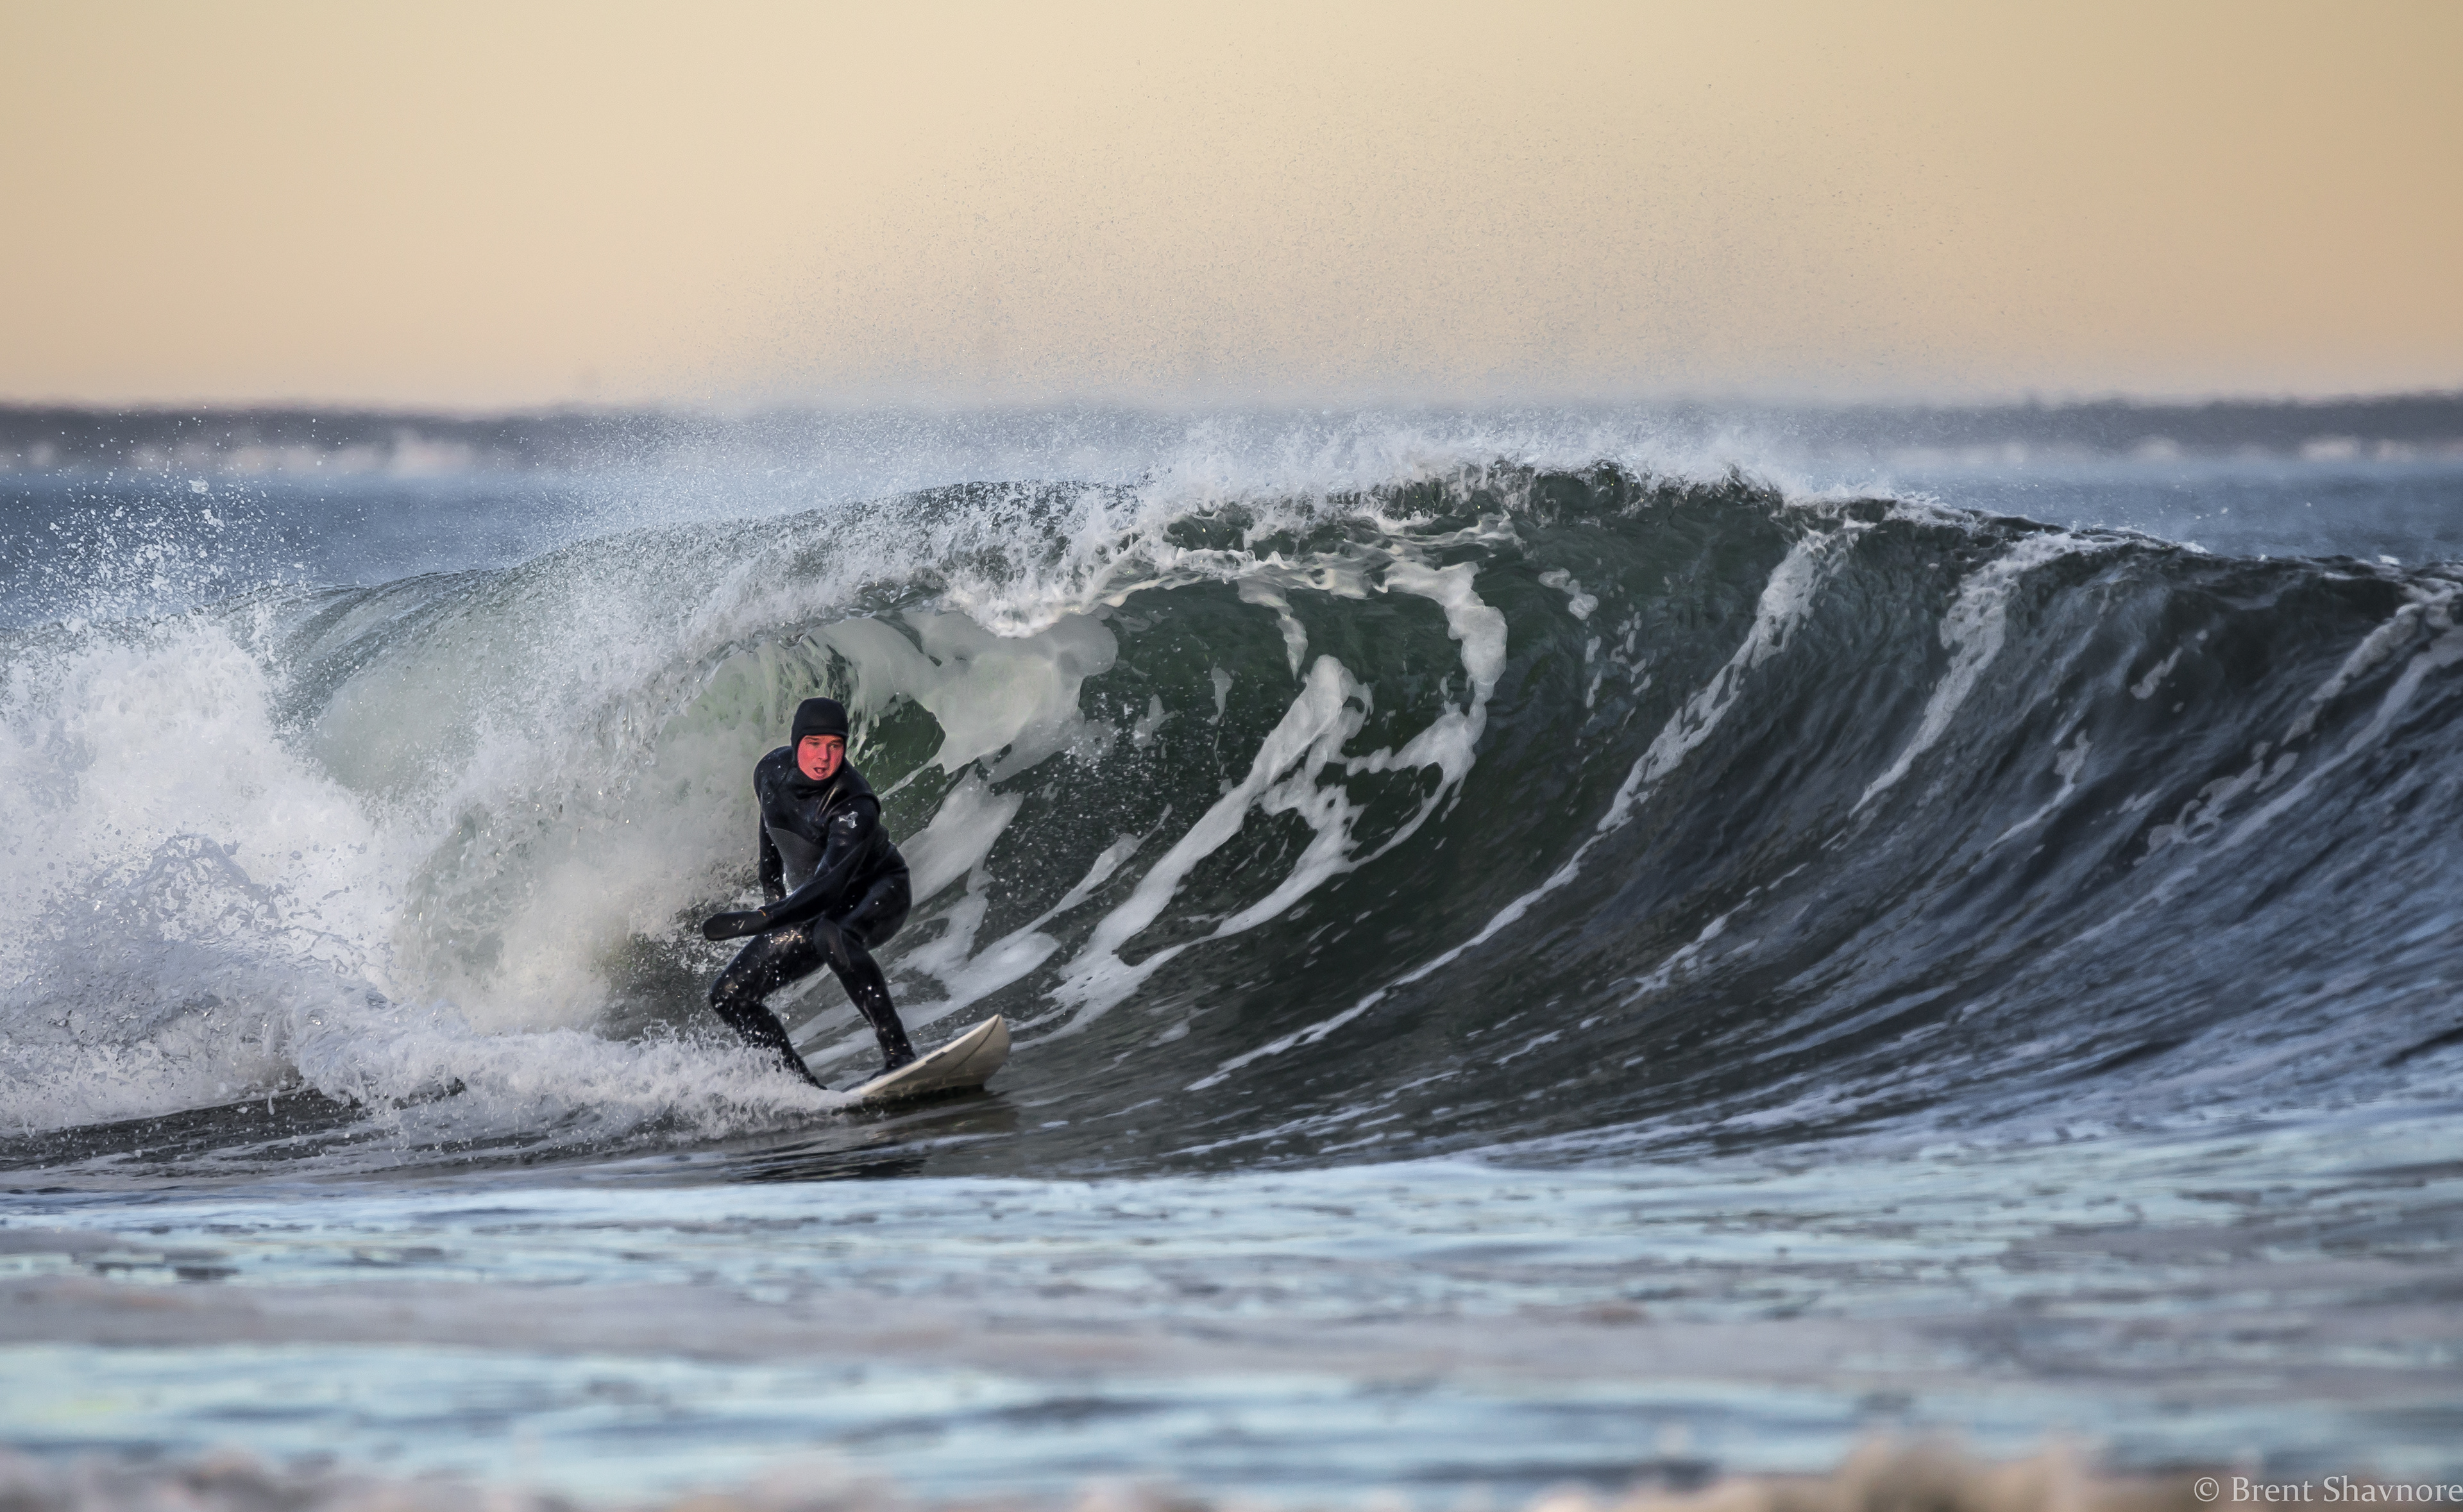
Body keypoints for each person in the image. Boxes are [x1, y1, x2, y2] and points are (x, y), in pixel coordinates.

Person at [700, 696, 916, 1089]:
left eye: (835, 746)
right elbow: (772, 828)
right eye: (814, 744)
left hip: (880, 889)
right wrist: (771, 893)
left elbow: (826, 888)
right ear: (797, 741)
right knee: (729, 996)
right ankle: (800, 1088)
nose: (824, 757)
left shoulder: (854, 804)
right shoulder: (770, 771)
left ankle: (899, 1055)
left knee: (832, 933)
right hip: (814, 903)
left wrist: (762, 919)